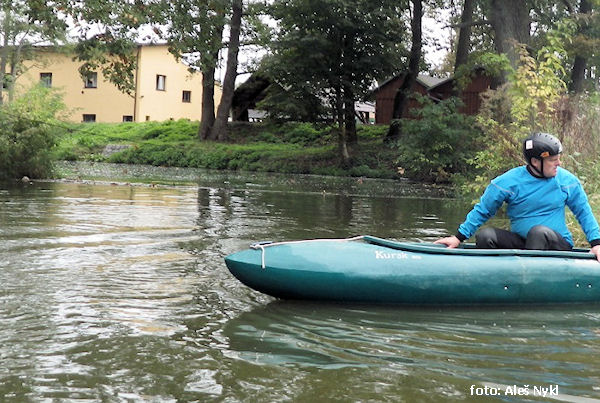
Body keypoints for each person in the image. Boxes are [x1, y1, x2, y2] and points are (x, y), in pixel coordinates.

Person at [435, 132, 600, 262]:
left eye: (558, 159)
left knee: (538, 232)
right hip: (524, 243)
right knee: (485, 236)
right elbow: (483, 210)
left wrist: (597, 243)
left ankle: (528, 282)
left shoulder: (567, 181)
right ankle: (498, 280)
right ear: (535, 162)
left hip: (557, 246)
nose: (559, 164)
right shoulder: (508, 182)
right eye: (553, 160)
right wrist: (458, 237)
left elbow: (584, 213)